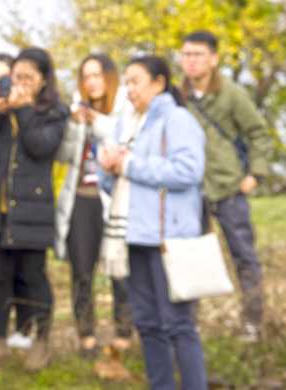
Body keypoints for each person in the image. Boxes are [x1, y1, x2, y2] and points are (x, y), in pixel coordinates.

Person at [99, 55, 207, 389]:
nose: (128, 89)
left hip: (168, 236)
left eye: (135, 81)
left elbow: (189, 171)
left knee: (178, 325)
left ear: (159, 83)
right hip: (132, 236)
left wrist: (130, 165)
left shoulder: (177, 119)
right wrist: (108, 168)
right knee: (147, 324)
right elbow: (114, 185)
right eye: (126, 82)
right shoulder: (127, 122)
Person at [0, 47, 68, 372]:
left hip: (31, 209)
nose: (21, 83)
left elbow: (41, 147)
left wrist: (24, 110)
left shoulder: (53, 112)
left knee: (33, 276)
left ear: (43, 81)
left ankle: (41, 339)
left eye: (29, 77)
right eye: (17, 76)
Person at [179, 30, 271, 342]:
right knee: (189, 256)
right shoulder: (178, 97)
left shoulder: (231, 94)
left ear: (214, 59)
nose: (191, 61)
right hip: (191, 191)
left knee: (244, 256)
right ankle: (189, 324)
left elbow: (258, 134)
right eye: (186, 54)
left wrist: (255, 174)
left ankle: (252, 324)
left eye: (198, 54)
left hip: (229, 188)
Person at [54, 54, 133, 358]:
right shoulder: (75, 113)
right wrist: (75, 126)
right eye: (86, 76)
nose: (91, 82)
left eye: (97, 75)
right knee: (82, 271)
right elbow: (62, 155)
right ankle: (86, 334)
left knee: (119, 268)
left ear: (110, 77)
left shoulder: (126, 109)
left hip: (114, 199)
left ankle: (124, 330)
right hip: (81, 198)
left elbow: (121, 140)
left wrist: (96, 121)